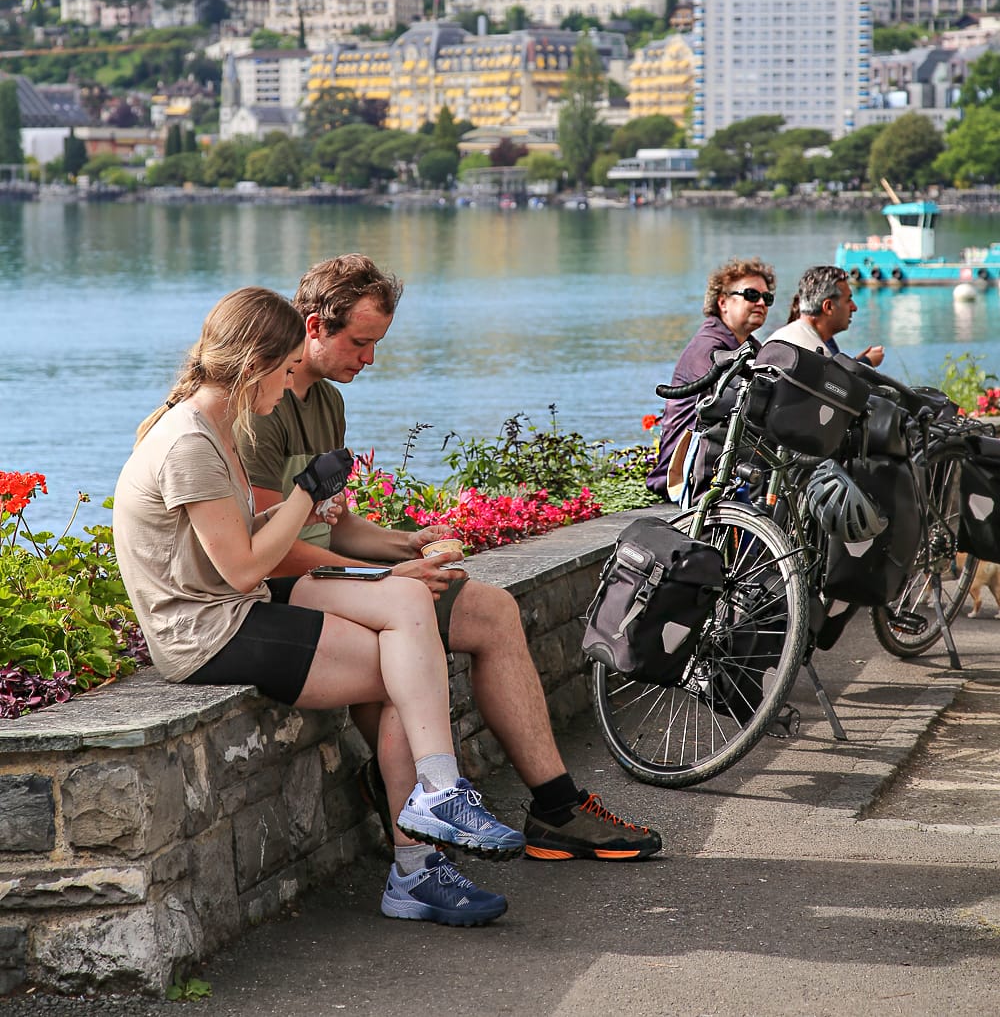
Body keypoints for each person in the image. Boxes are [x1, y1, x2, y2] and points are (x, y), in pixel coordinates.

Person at [112, 285, 526, 929]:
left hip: (236, 601)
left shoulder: (212, 421)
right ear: (254, 365)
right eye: (282, 371)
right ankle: (418, 864)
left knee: (406, 599)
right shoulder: (191, 441)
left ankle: (439, 795)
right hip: (207, 629)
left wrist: (310, 509)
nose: (287, 384)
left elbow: (241, 534)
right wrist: (306, 496)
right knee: (404, 679)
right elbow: (245, 565)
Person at [241, 255, 662, 865]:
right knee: (421, 626)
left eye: (376, 343)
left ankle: (553, 806)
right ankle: (419, 803)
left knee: (491, 609)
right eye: (361, 342)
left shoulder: (327, 403)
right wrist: (386, 576)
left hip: (342, 579)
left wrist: (405, 543)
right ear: (313, 327)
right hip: (293, 592)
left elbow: (333, 525)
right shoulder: (262, 409)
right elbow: (269, 553)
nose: (370, 359)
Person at [647, 256, 777, 500]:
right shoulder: (708, 346)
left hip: (719, 459)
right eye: (751, 294)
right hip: (687, 470)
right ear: (723, 302)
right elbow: (736, 396)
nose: (761, 302)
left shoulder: (749, 346)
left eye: (767, 298)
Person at [768, 266, 884, 366]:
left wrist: (856, 365)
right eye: (848, 300)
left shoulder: (778, 338)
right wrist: (866, 362)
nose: (854, 308)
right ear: (828, 307)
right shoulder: (818, 356)